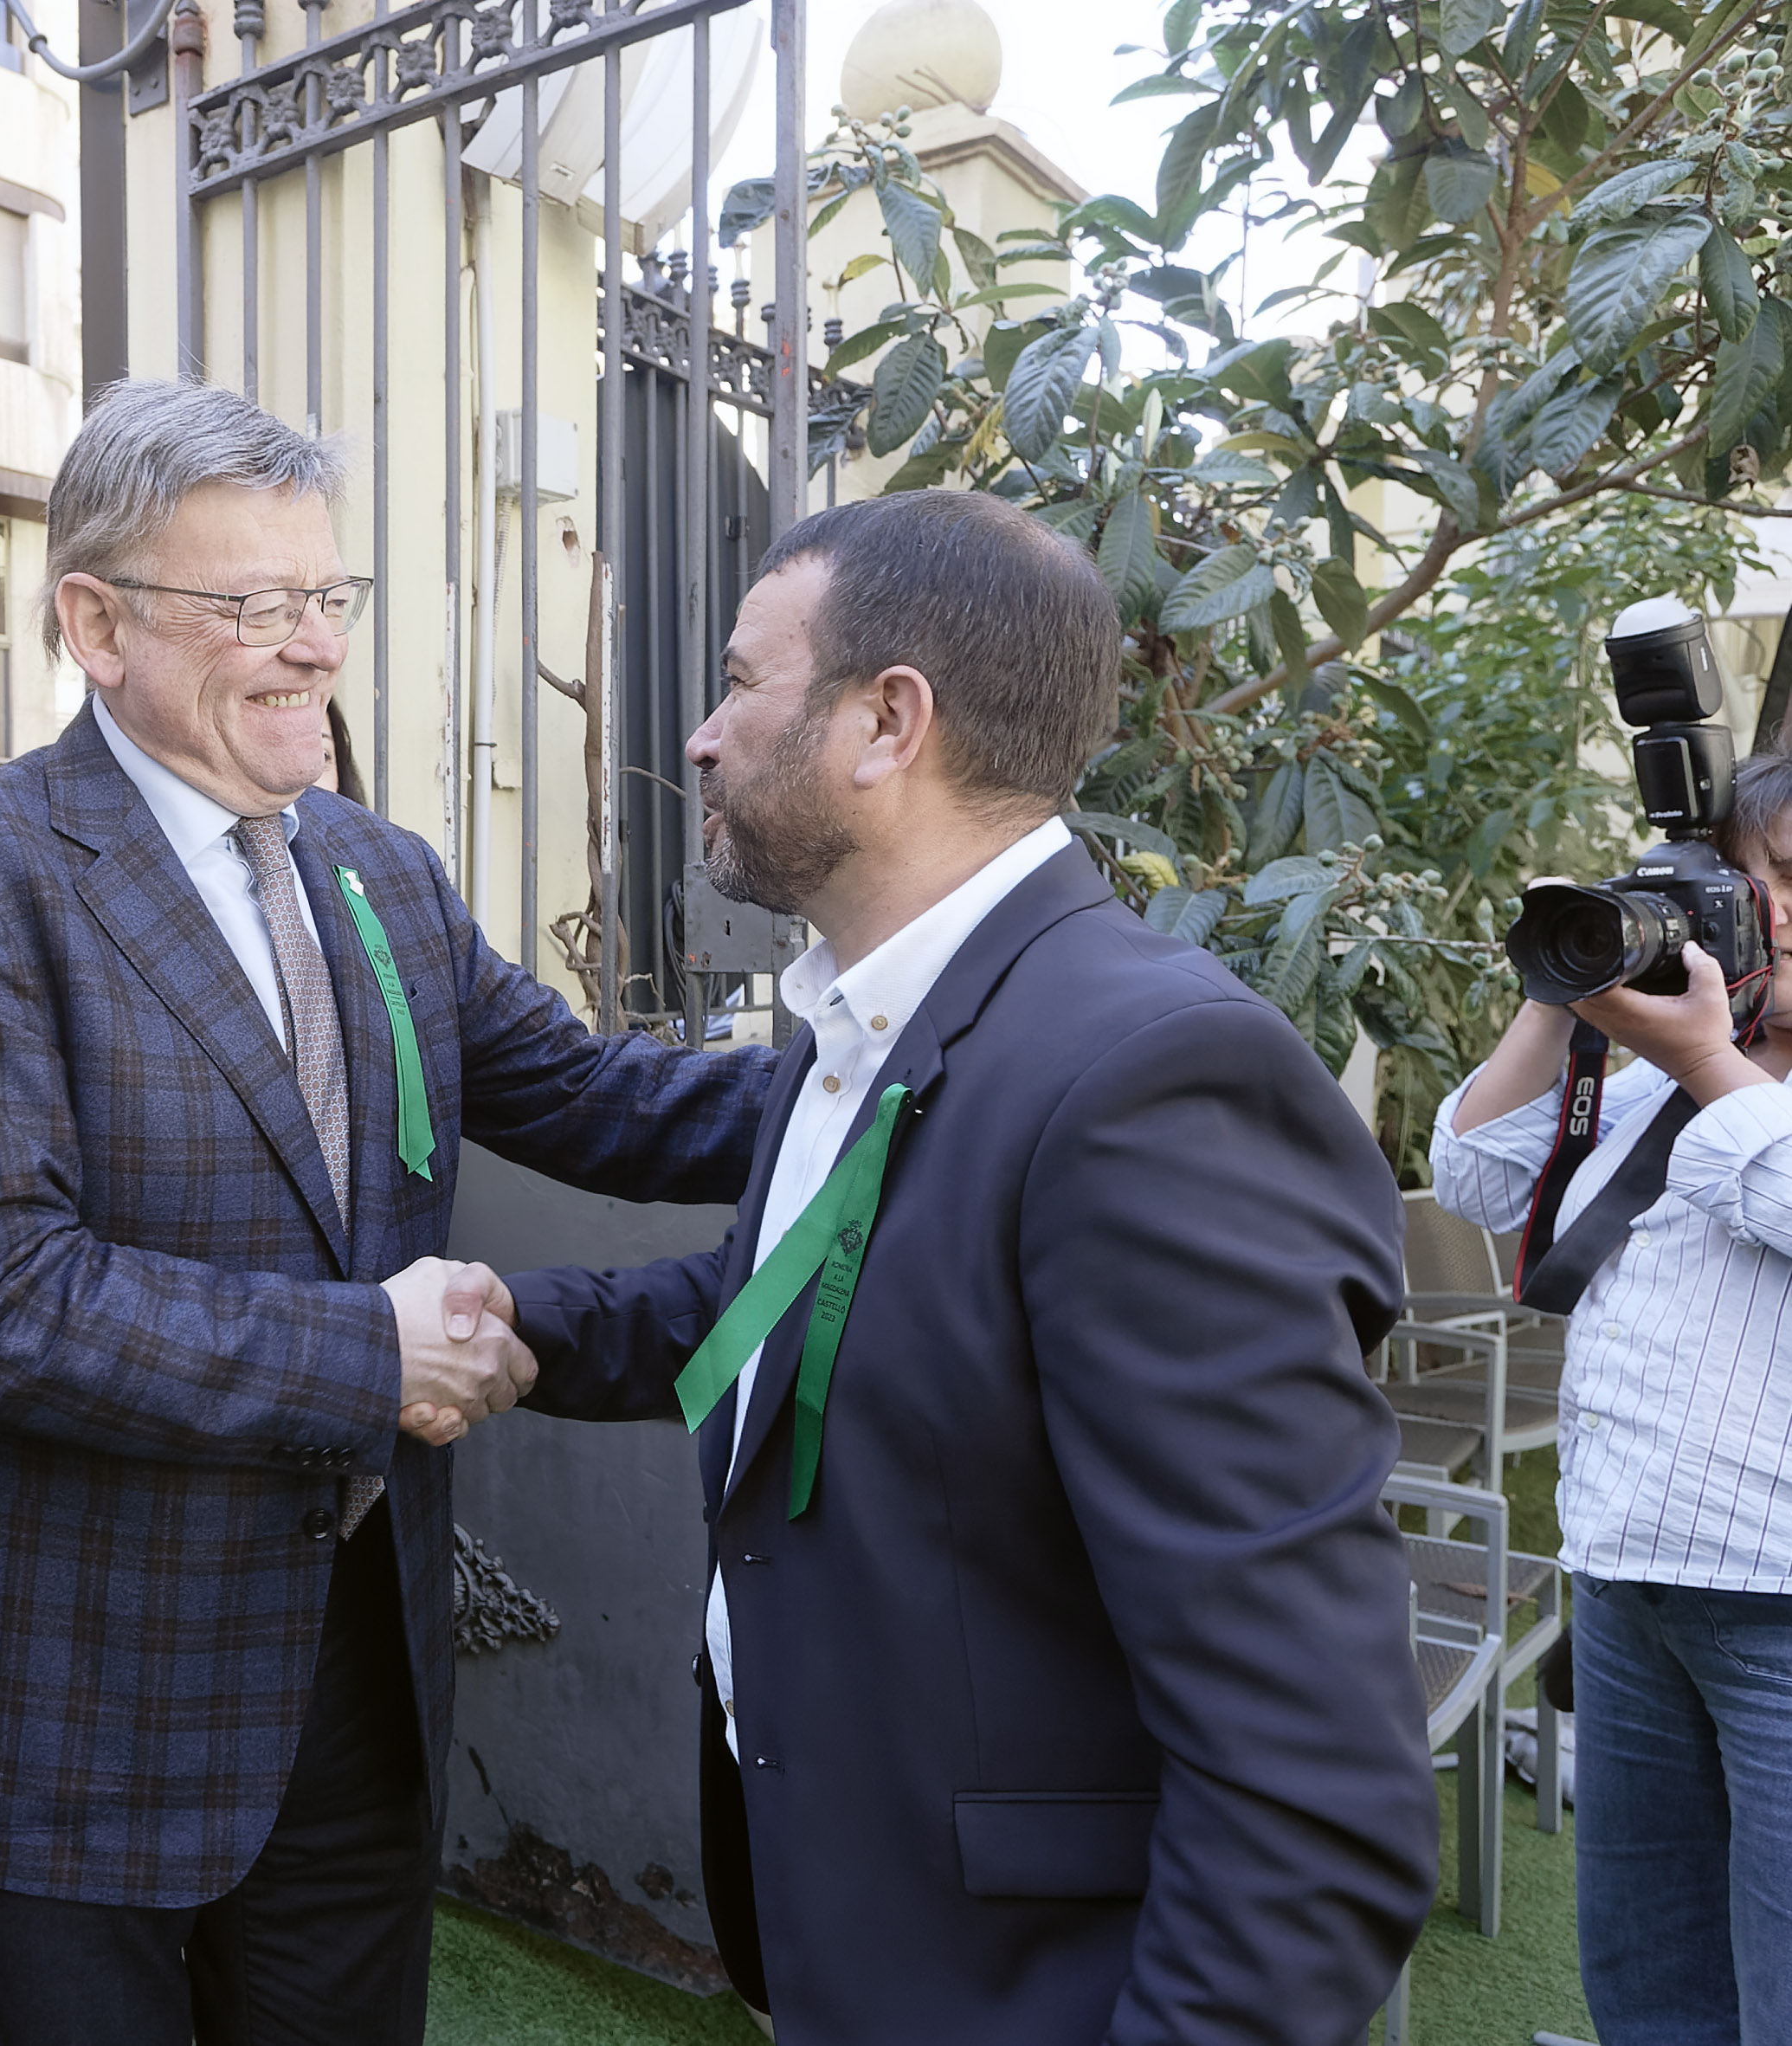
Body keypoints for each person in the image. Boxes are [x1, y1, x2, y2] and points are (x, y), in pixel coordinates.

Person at [0, 378, 773, 2045]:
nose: (308, 644)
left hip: (349, 1682)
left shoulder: (374, 868)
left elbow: (587, 1097)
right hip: (61, 1713)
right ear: (94, 621)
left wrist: (899, 1067)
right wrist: (369, 1348)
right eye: (247, 604)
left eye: (324, 597)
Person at [506, 487, 1440, 2045]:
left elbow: (1308, 1783)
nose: (701, 735)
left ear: (885, 722)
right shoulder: (883, 1021)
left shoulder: (1147, 1077)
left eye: (743, 678)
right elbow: (787, 1322)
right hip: (853, 1927)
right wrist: (510, 1327)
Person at [1431, 745, 1792, 2046]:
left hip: (1779, 1606)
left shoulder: (1707, 1079)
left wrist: (1704, 1066)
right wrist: (1560, 986)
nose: (1769, 916)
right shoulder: (1661, 1072)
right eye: (1750, 882)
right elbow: (1474, 1173)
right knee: (1644, 1961)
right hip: (1627, 1572)